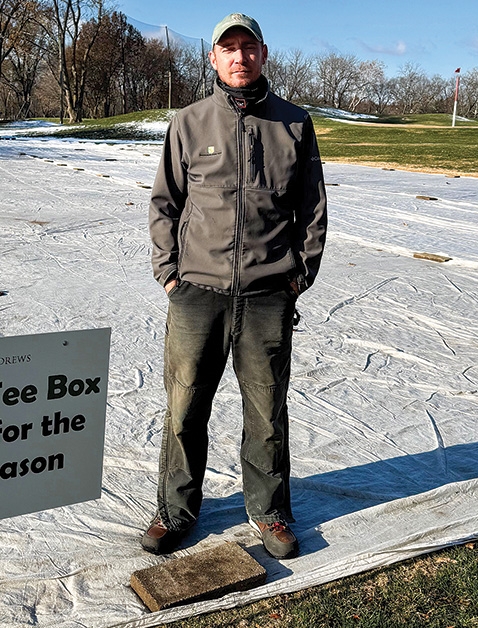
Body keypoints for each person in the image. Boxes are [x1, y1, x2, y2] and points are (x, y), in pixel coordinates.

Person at [143, 12, 327, 560]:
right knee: (184, 408)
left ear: (264, 54)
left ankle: (269, 511)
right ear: (214, 58)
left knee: (267, 412)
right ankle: (175, 510)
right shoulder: (189, 122)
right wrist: (170, 274)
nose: (239, 57)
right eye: (229, 48)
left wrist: (298, 275)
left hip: (269, 293)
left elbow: (312, 208)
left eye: (249, 47)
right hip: (197, 292)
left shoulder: (294, 124)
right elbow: (165, 203)